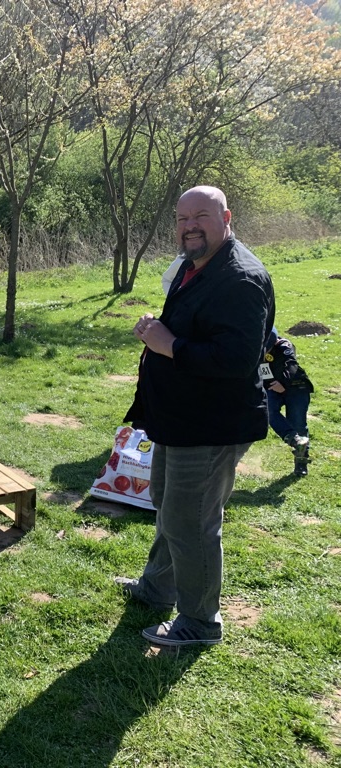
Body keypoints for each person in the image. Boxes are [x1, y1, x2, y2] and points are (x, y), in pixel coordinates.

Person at [117, 186, 275, 647]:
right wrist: (156, 332)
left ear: (225, 217)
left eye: (201, 216)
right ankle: (157, 588)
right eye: (182, 218)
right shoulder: (197, 265)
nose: (190, 226)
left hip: (210, 426)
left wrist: (170, 345)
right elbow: (192, 329)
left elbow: (237, 360)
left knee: (192, 522)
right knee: (170, 507)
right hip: (181, 419)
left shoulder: (240, 278)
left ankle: (201, 621)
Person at [261, 329, 314, 476]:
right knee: (268, 410)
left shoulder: (285, 346)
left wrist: (283, 383)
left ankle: (301, 462)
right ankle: (293, 439)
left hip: (296, 386)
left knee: (298, 423)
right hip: (273, 386)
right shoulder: (256, 348)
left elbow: (291, 366)